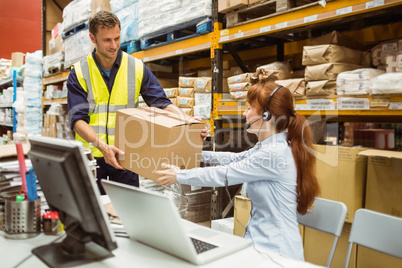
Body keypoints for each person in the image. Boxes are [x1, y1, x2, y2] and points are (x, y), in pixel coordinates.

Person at [154, 78, 320, 261]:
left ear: (266, 116)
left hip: (276, 254)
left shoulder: (274, 154)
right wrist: (193, 152)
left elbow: (225, 174)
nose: (244, 113)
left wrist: (179, 176)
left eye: (249, 108)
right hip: (258, 245)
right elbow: (234, 159)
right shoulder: (267, 148)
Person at [67, 11, 207, 194]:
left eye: (117, 38)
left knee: (128, 212)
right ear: (92, 38)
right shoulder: (79, 72)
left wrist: (188, 121)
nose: (114, 45)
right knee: (94, 214)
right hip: (92, 157)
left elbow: (160, 102)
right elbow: (77, 121)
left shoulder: (135, 67)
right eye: (107, 40)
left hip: (126, 156)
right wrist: (102, 146)